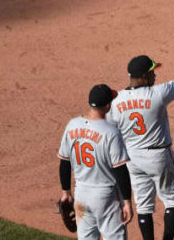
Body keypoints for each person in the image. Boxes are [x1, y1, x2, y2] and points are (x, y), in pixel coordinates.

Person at [105, 45, 174, 240]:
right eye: (152, 72)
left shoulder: (116, 101)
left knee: (144, 206)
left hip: (132, 159)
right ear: (144, 76)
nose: (155, 76)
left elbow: (111, 132)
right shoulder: (157, 93)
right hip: (159, 156)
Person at [57, 84, 133, 240]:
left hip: (81, 194)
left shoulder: (72, 125)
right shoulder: (111, 132)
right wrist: (127, 202)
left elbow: (64, 162)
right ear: (107, 105)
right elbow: (120, 170)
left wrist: (66, 191)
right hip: (105, 196)